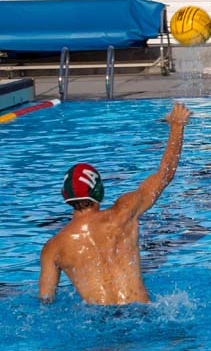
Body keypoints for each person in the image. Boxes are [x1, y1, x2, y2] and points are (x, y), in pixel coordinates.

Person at [38, 102, 191, 306]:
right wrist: (177, 125)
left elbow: (45, 302)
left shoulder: (54, 248)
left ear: (65, 196)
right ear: (99, 191)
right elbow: (165, 175)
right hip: (142, 314)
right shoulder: (123, 212)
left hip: (101, 325)